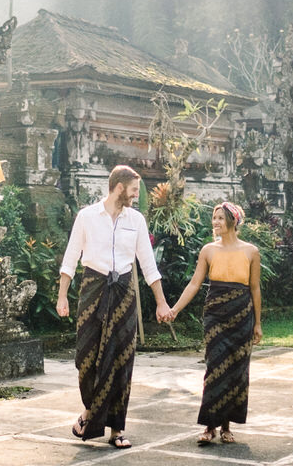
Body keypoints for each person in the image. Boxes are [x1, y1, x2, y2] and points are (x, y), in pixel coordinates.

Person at [57, 164, 173, 450]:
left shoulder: (136, 220)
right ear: (119, 187)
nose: (136, 196)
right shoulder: (86, 217)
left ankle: (116, 429)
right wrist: (62, 297)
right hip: (92, 290)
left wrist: (161, 302)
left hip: (123, 294)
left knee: (121, 361)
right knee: (86, 360)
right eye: (133, 191)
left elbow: (148, 264)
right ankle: (89, 412)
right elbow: (71, 258)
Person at [169, 200, 262, 445]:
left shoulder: (251, 251)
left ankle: (227, 426)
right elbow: (194, 284)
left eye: (220, 218)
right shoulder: (208, 250)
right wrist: (175, 309)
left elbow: (255, 288)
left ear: (232, 222)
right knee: (215, 367)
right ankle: (209, 426)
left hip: (242, 315)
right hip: (215, 314)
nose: (215, 222)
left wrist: (258, 324)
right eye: (214, 218)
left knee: (237, 370)